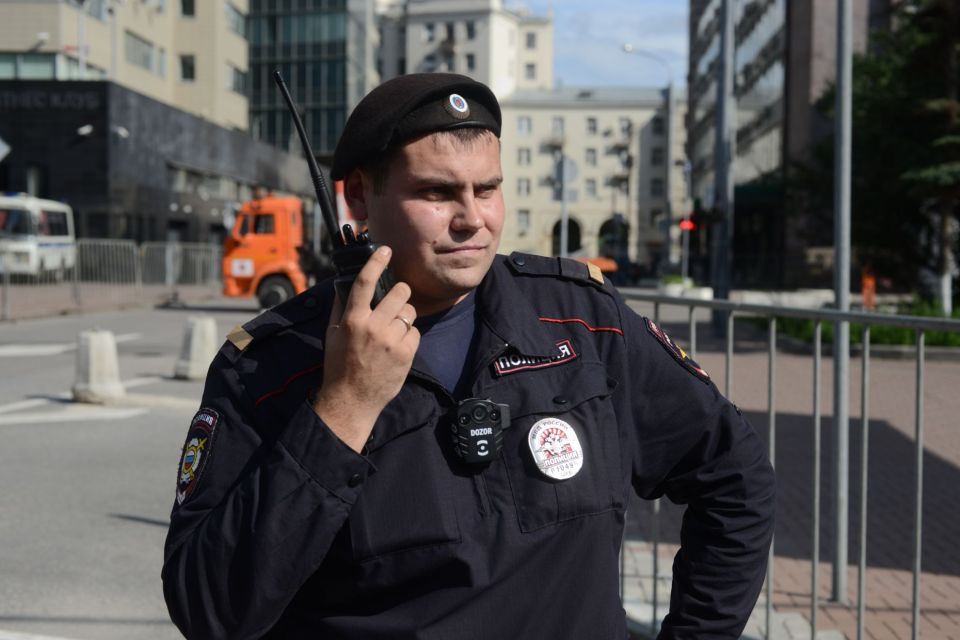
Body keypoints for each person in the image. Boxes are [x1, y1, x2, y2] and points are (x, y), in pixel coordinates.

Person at [162, 73, 775, 639]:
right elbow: (209, 609)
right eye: (436, 192)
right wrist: (344, 407)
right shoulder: (267, 366)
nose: (473, 219)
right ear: (358, 198)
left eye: (488, 189)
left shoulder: (583, 320)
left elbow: (735, 478)